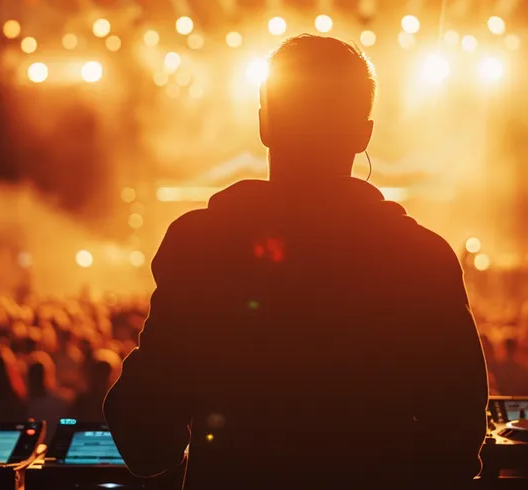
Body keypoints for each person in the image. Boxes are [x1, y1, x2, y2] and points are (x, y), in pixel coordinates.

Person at [105, 35, 489, 489]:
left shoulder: (200, 245)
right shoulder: (422, 257)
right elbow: (456, 441)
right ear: (364, 134)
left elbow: (146, 444)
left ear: (265, 125)